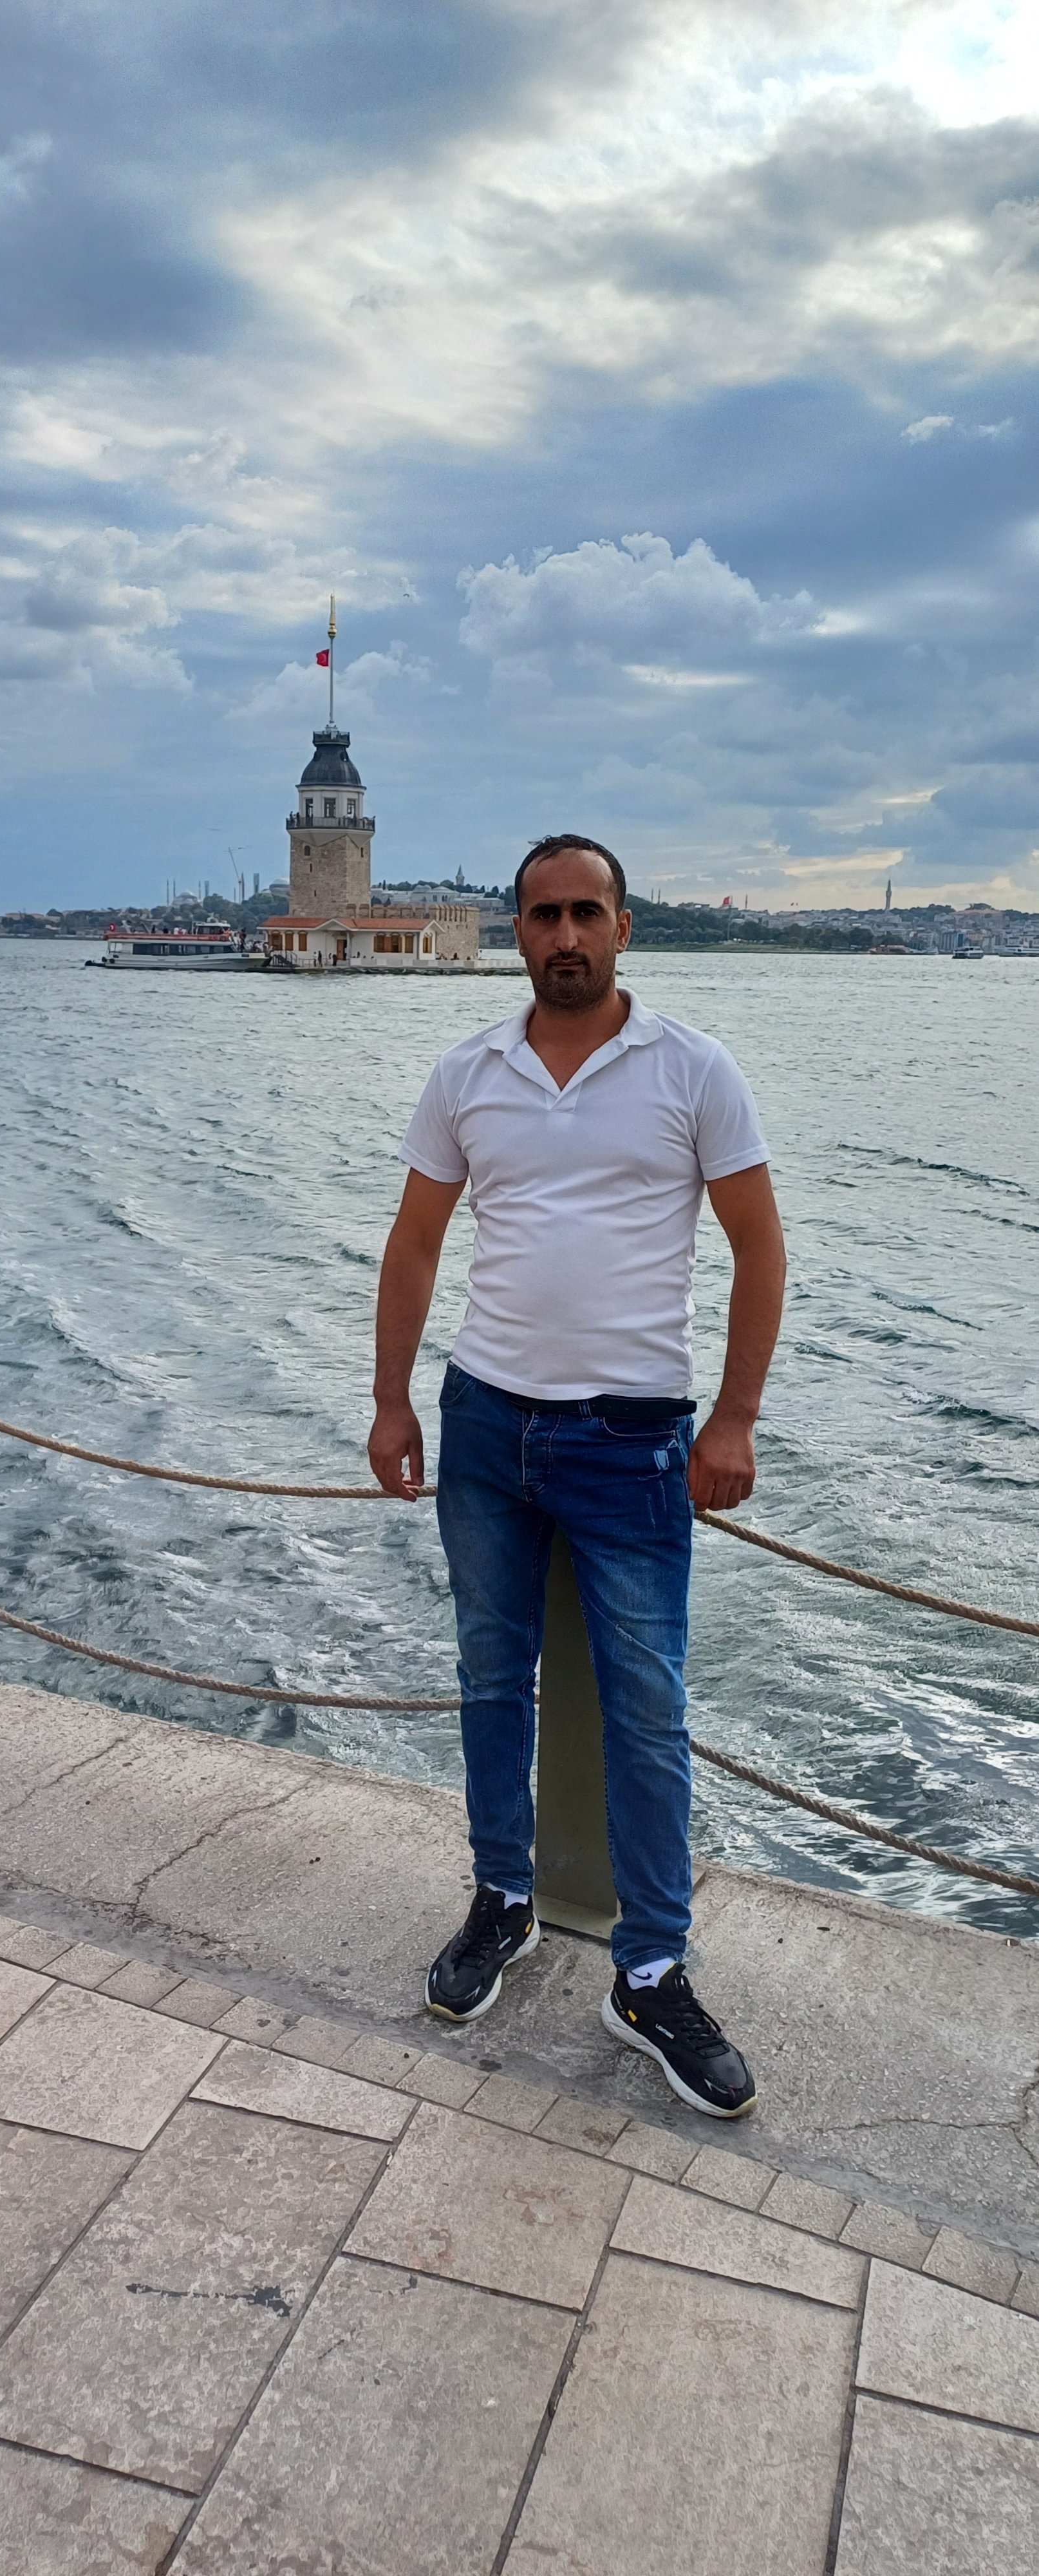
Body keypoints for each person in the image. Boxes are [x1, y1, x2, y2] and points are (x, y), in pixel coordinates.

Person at [368, 835, 785, 2118]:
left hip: (633, 1439)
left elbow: (760, 1248)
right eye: (542, 915)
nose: (564, 935)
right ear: (517, 931)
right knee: (490, 1676)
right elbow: (415, 1242)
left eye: (584, 913)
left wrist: (734, 1418)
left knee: (647, 1707)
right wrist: (390, 1397)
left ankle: (650, 1970)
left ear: (622, 927)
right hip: (486, 1425)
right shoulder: (469, 1073)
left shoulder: (693, 1069)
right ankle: (501, 1897)